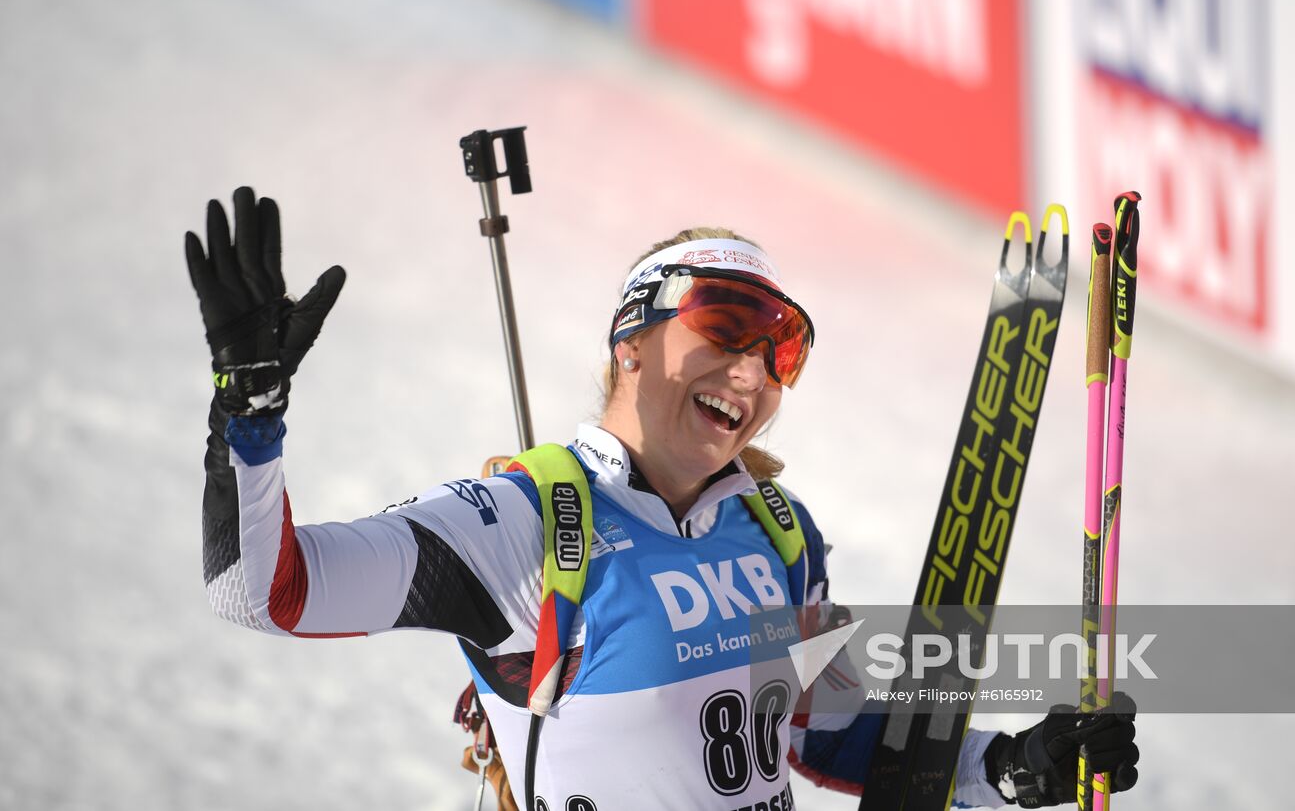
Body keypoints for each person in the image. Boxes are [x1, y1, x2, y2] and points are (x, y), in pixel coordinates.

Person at [187, 186, 1139, 809]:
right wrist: (249, 411)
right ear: (630, 341)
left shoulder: (781, 533)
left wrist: (1012, 768)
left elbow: (833, 734)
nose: (753, 369)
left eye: (782, 349)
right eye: (725, 324)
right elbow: (261, 590)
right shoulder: (527, 522)